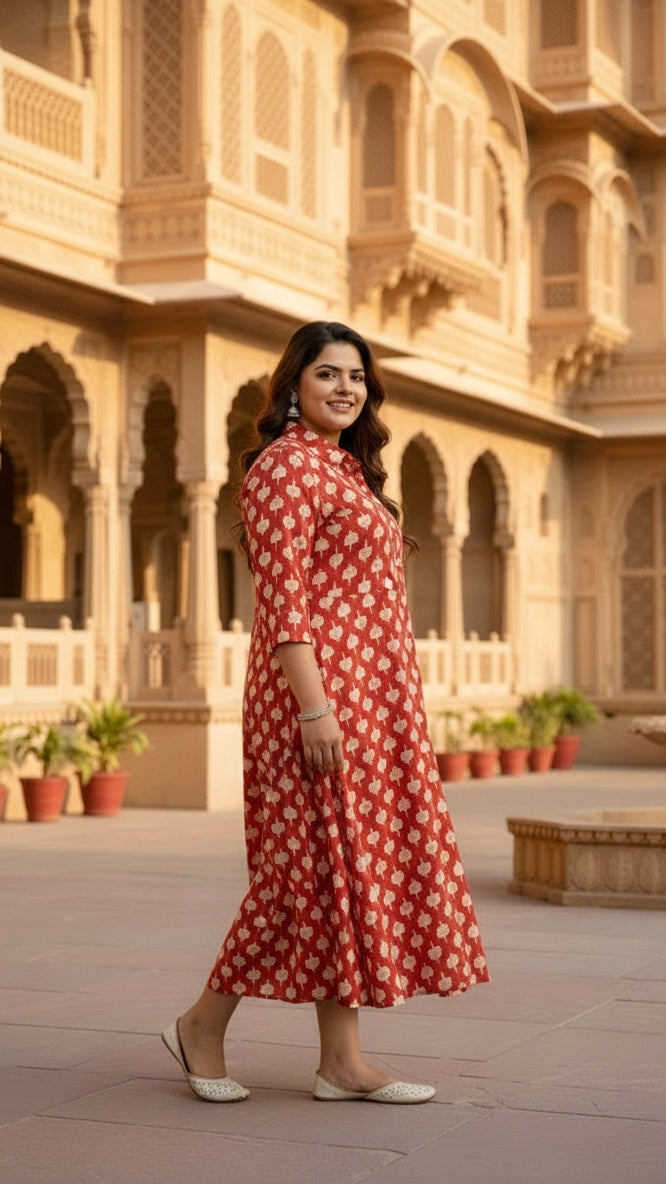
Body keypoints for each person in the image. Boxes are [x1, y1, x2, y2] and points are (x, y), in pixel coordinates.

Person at [162, 321, 489, 1105]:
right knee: (299, 873)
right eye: (327, 374)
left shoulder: (343, 471)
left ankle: (340, 1063)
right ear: (293, 387)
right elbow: (284, 601)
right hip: (315, 700)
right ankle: (202, 1025)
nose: (346, 388)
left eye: (357, 377)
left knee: (342, 870)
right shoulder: (283, 471)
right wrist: (315, 709)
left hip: (369, 701)